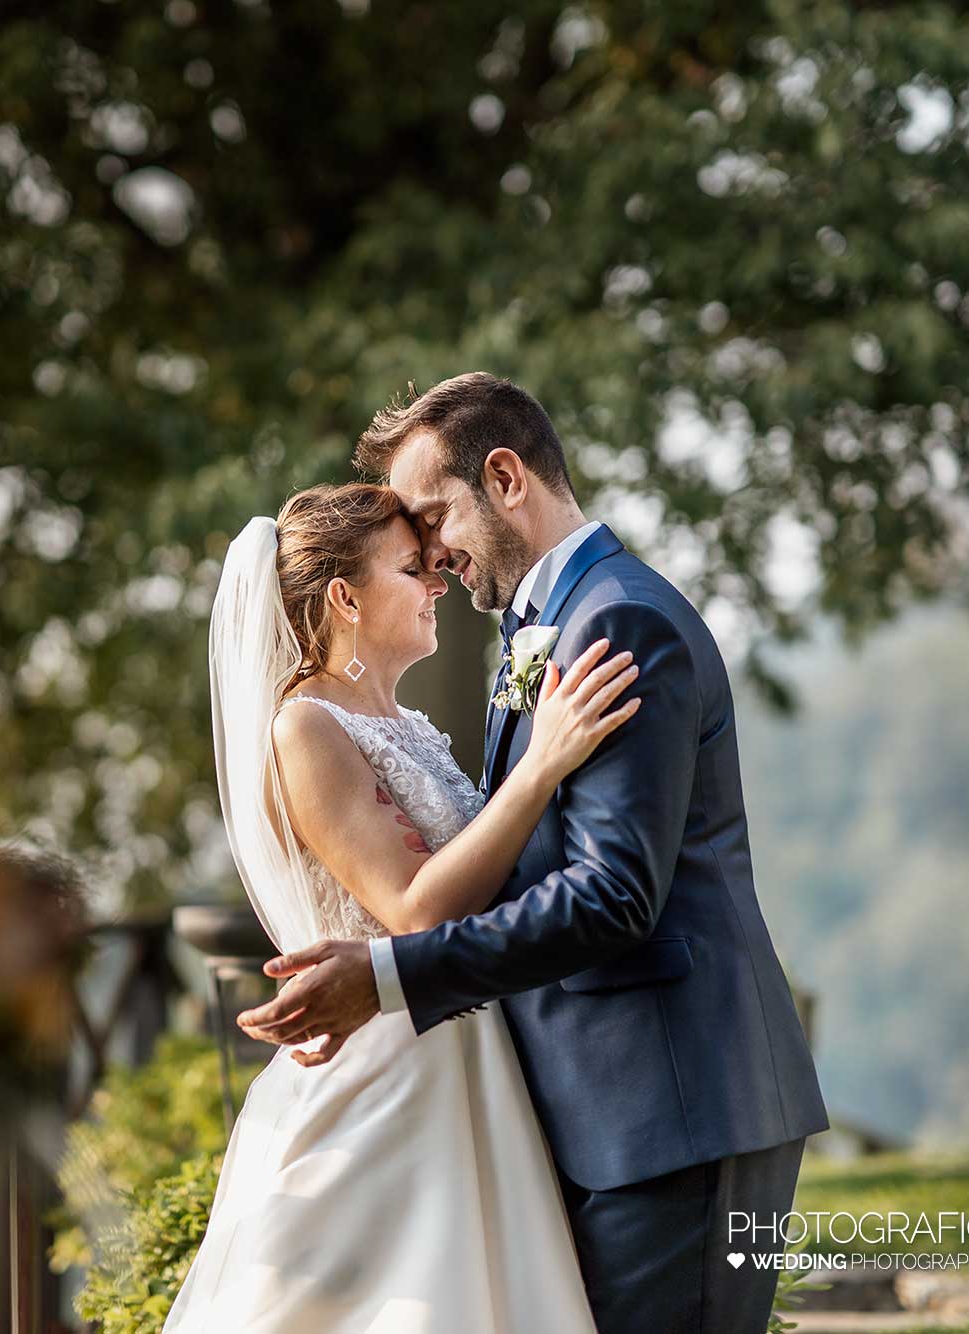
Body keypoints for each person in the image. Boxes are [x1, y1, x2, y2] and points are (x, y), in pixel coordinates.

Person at [236, 373, 829, 1334]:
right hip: (598, 1112)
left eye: (435, 517)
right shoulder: (540, 628)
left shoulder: (614, 621)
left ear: (504, 477)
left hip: (670, 1105)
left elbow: (611, 895)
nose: (433, 555)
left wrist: (389, 977)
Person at [169, 480, 638, 1332]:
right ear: (345, 596)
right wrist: (540, 769)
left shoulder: (405, 721)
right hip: (385, 1075)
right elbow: (415, 908)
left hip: (464, 1052)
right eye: (413, 568)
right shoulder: (304, 726)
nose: (439, 582)